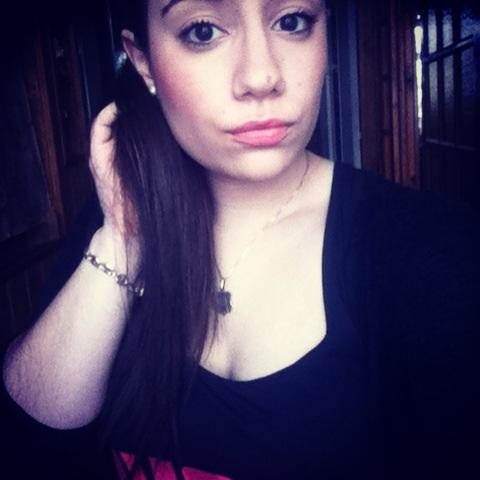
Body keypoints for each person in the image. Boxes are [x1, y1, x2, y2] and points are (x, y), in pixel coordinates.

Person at [1, 0, 479, 478]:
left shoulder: (436, 255)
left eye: (292, 21)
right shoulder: (117, 217)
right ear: (143, 61)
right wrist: (121, 243)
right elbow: (29, 451)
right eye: (203, 31)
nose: (261, 76)